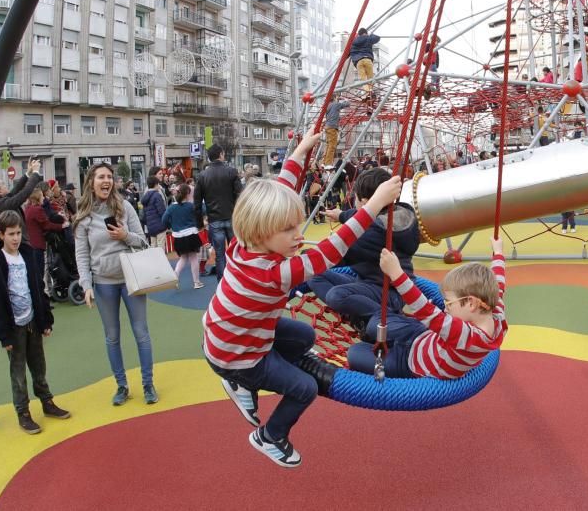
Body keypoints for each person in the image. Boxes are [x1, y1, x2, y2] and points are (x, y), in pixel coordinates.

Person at [203, 130, 402, 468]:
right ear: (262, 232)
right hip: (239, 356)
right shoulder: (270, 274)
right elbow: (332, 250)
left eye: (298, 226)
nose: (300, 236)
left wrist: (301, 150)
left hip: (228, 335)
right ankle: (270, 435)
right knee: (305, 387)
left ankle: (240, 381)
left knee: (306, 336)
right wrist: (374, 204)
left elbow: (281, 187)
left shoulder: (242, 244)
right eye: (289, 230)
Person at [345, 237, 507, 380]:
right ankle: (374, 331)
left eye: (449, 303)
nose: (445, 307)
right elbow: (499, 282)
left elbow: (426, 311)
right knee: (375, 325)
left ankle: (375, 336)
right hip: (421, 336)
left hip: (408, 362)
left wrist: (396, 273)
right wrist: (498, 252)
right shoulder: (496, 315)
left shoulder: (468, 336)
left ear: (471, 303)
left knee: (354, 353)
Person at [74, 163, 156, 406]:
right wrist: (86, 284)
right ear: (91, 182)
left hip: (131, 280)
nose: (106, 180)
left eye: (109, 176)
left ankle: (148, 384)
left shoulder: (125, 207)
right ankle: (121, 386)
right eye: (101, 176)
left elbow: (142, 241)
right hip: (103, 283)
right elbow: (82, 254)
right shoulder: (84, 216)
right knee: (112, 337)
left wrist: (124, 236)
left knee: (142, 334)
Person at [0, 210, 71, 434]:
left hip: (32, 320)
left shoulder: (28, 254)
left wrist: (46, 319)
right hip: (14, 327)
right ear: (0, 235)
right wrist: (4, 335)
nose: (15, 238)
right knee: (18, 372)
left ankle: (47, 402)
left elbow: (37, 287)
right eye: (11, 234)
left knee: (39, 366)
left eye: (18, 233)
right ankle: (23, 412)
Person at [305, 168, 421, 332]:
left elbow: (336, 255)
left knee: (336, 295)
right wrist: (341, 215)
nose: (354, 202)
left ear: (366, 202)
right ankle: (360, 311)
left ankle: (379, 317)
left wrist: (304, 257)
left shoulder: (371, 234)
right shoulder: (403, 212)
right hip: (373, 286)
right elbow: (360, 214)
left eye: (356, 199)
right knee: (315, 276)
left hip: (389, 294)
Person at [194, 144, 243, 279]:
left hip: (214, 219)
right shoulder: (231, 171)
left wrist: (199, 224)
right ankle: (238, 278)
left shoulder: (202, 175)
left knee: (220, 255)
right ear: (221, 154)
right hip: (231, 216)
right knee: (236, 251)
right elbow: (241, 195)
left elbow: (197, 203)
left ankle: (222, 282)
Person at [0, 159, 43, 232]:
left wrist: (28, 173)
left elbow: (15, 190)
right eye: (3, 185)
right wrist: (35, 172)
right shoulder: (2, 205)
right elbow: (25, 193)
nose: (6, 186)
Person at [163, 183, 203, 289]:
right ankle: (196, 282)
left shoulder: (171, 207)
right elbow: (202, 212)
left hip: (178, 236)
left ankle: (175, 278)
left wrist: (171, 225)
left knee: (183, 258)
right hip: (191, 234)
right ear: (188, 194)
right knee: (194, 257)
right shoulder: (191, 206)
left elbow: (164, 220)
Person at [140, 176, 168, 247]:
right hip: (160, 225)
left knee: (153, 246)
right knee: (160, 247)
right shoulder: (157, 195)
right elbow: (162, 211)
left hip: (150, 226)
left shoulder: (145, 196)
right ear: (156, 184)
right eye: (158, 184)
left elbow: (145, 213)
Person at [322, 96, 350, 166]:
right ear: (334, 98)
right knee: (332, 146)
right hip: (332, 127)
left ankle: (324, 162)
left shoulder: (328, 106)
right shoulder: (335, 104)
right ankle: (327, 163)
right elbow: (347, 103)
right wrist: (345, 98)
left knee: (328, 145)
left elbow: (334, 115)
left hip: (328, 127)